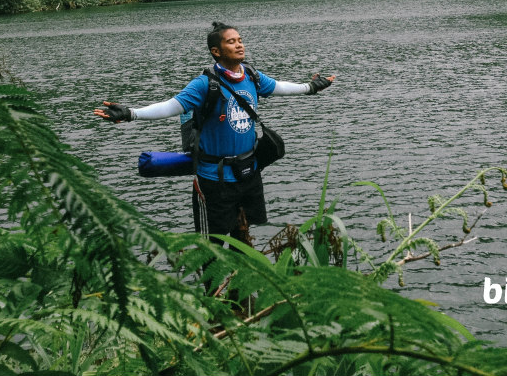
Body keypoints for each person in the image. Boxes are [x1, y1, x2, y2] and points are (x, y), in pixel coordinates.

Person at [95, 22, 333, 244]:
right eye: (231, 42)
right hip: (215, 180)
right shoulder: (205, 84)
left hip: (248, 173)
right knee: (213, 247)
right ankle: (213, 289)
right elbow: (171, 106)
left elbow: (279, 86)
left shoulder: (251, 75)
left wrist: (311, 87)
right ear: (216, 51)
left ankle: (242, 287)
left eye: (240, 40)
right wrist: (131, 113)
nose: (239, 44)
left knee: (243, 241)